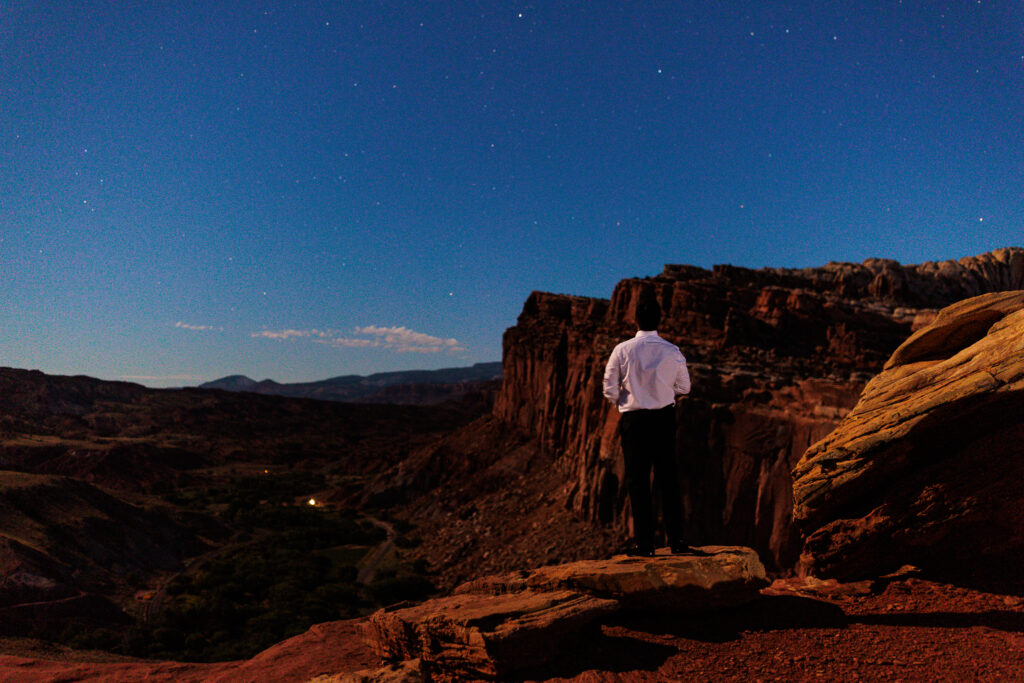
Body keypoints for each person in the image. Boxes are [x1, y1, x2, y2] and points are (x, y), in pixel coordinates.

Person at [602, 298, 699, 557]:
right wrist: (664, 392)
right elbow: (685, 388)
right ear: (659, 320)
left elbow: (609, 387)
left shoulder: (622, 350)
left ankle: (645, 545)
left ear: (636, 320)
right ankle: (676, 542)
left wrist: (623, 402)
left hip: (634, 422)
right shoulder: (672, 351)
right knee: (668, 480)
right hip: (663, 419)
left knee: (638, 482)